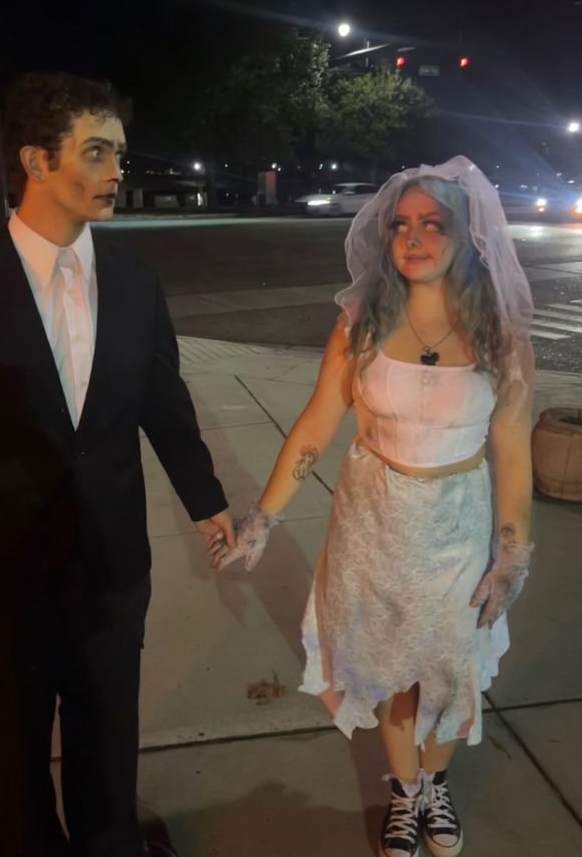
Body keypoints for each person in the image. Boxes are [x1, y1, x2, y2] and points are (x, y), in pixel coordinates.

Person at [0, 72, 234, 857]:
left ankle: (108, 843)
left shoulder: (134, 282)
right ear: (36, 161)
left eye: (118, 151)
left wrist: (206, 498)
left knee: (109, 731)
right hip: (0, 573)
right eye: (96, 151)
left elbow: (164, 401)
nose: (117, 169)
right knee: (10, 743)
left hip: (113, 564)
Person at [212, 156, 535, 857]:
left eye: (432, 224)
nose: (413, 238)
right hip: (372, 524)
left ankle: (436, 783)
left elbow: (513, 454)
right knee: (392, 672)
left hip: (457, 528)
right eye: (401, 226)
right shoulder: (360, 324)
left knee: (449, 668)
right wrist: (262, 519)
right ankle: (405, 791)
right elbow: (316, 424)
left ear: (467, 237)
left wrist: (512, 556)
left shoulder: (499, 336)